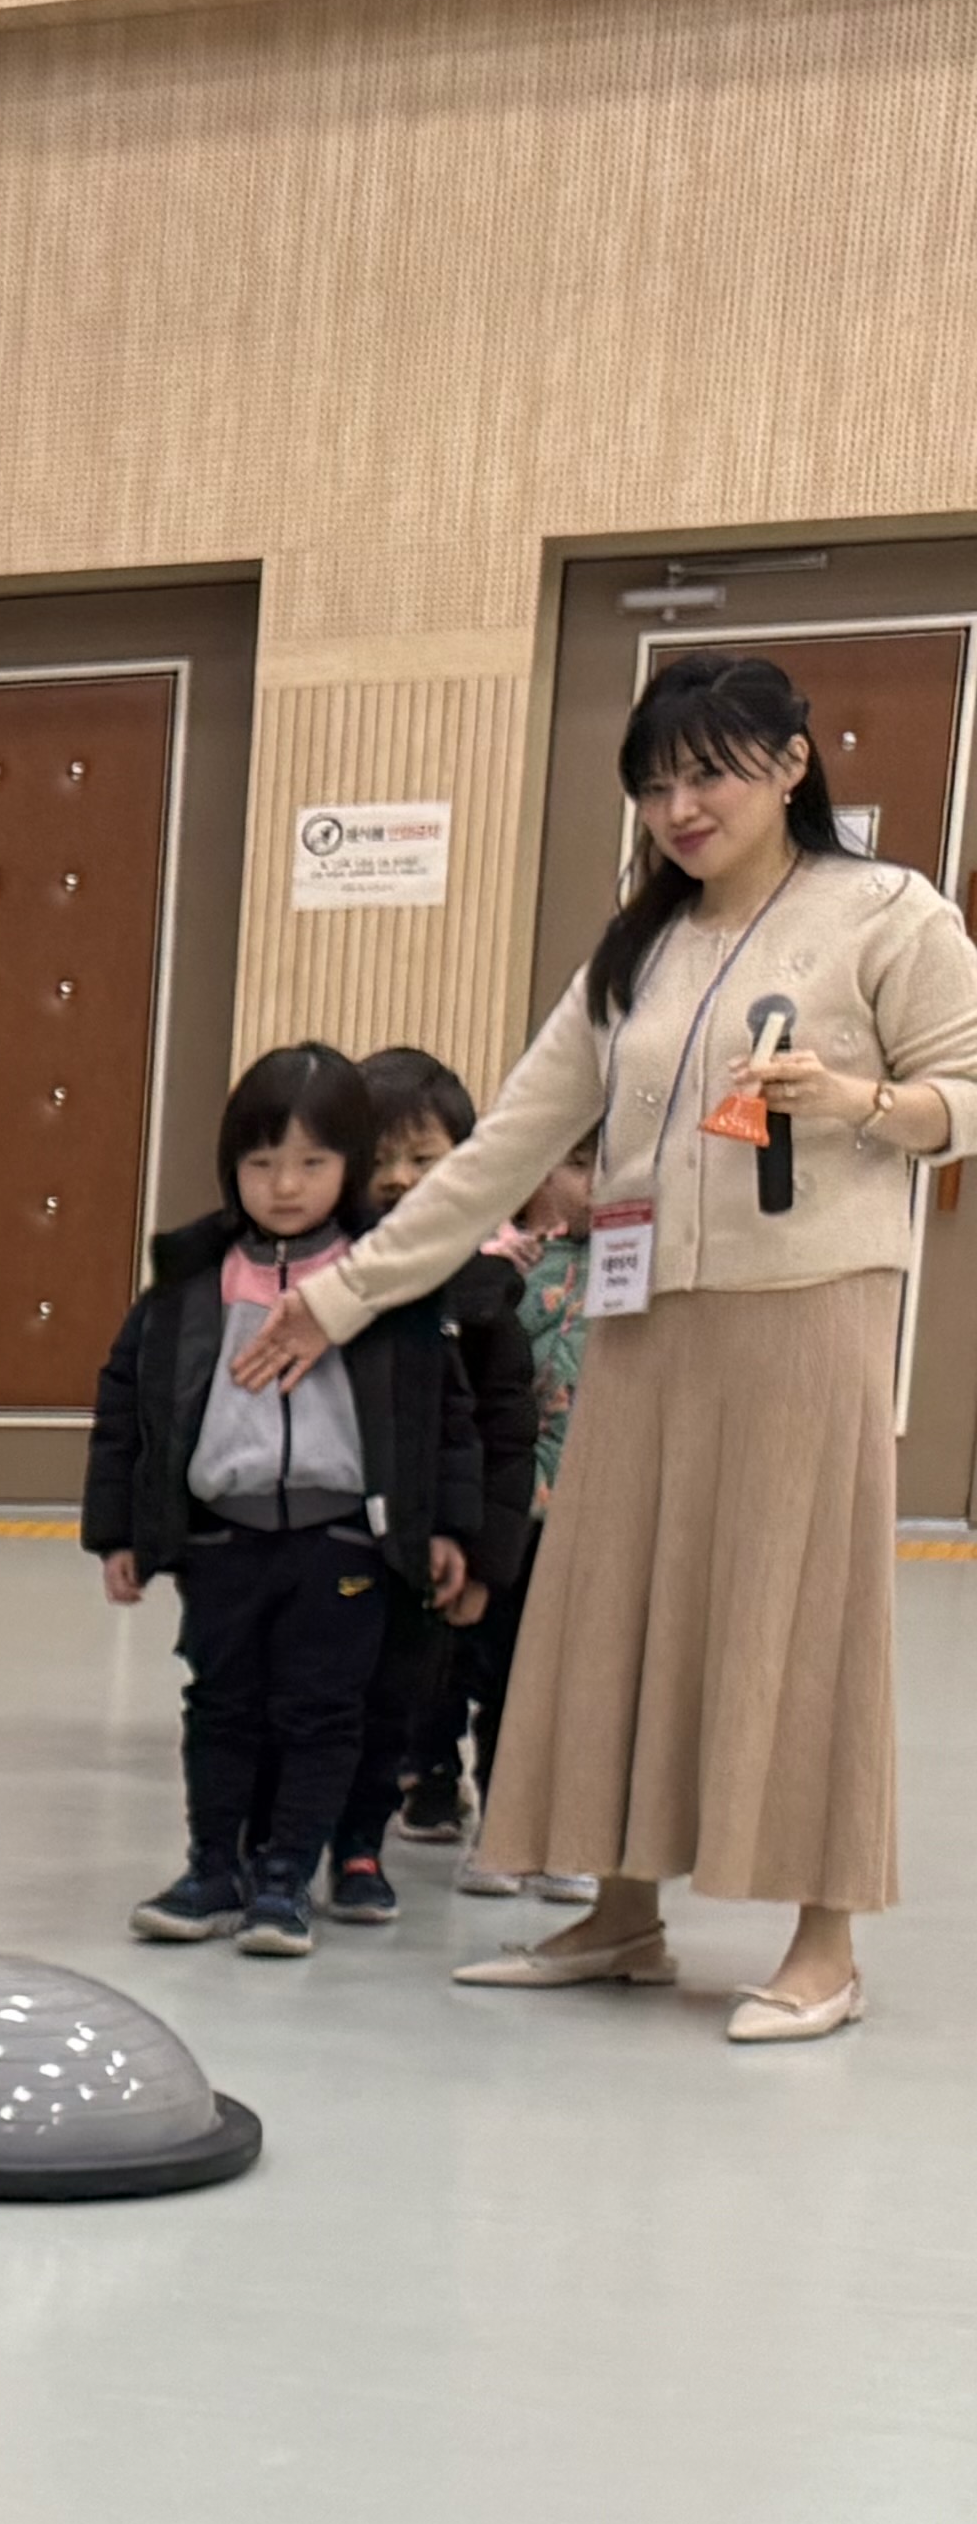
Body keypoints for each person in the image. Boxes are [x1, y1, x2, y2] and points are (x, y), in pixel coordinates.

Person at [245, 651, 977, 2042]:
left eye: (709, 772)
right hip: (642, 1319)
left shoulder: (888, 913)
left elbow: (972, 1091)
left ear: (793, 762)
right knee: (616, 1605)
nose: (681, 806)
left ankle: (823, 1943)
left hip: (810, 1308)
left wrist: (861, 1099)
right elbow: (506, 1145)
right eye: (655, 785)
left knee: (798, 1607)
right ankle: (622, 1912)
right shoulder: (636, 950)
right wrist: (343, 1290)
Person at [87, 1044, 476, 1954]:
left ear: (350, 1164)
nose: (285, 1186)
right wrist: (122, 1530)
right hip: (226, 1538)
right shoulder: (193, 1280)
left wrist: (448, 1524)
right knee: (220, 1706)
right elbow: (125, 1403)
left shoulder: (385, 1276)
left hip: (342, 1539)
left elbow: (440, 1413)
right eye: (261, 1164)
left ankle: (285, 1876)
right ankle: (211, 1867)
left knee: (323, 1711)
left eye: (311, 1163)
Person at [329, 1046, 529, 1917]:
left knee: (454, 1671)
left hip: (447, 1535)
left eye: (423, 1160)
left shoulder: (486, 1291)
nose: (399, 1180)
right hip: (340, 1535)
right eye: (377, 1161)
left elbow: (502, 1431)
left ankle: (427, 1797)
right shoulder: (328, 1279)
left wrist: (485, 1554)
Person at [462, 1153, 605, 1903]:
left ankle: (574, 1838)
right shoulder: (503, 1260)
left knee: (587, 1682)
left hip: (601, 1508)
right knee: (508, 1677)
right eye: (579, 1166)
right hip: (522, 1507)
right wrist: (495, 1272)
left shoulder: (635, 1263)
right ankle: (501, 1831)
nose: (597, 1185)